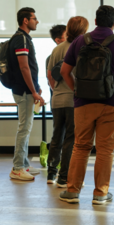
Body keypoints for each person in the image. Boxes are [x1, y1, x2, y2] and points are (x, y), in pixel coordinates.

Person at [58, 5, 114, 205]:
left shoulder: (79, 41)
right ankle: (100, 194)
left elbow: (64, 72)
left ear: (94, 21)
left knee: (80, 146)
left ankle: (72, 191)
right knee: (105, 150)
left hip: (83, 103)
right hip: (111, 103)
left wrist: (77, 90)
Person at [46, 17, 89, 186]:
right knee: (71, 139)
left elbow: (50, 75)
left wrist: (57, 89)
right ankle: (65, 177)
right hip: (73, 100)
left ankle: (51, 174)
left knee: (57, 136)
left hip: (57, 100)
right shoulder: (81, 48)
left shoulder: (57, 49)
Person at [8, 7, 45, 181]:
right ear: (25, 20)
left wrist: (36, 88)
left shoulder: (23, 38)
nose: (36, 21)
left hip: (25, 90)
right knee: (24, 128)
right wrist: (33, 91)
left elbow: (28, 67)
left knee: (26, 127)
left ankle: (24, 164)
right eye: (34, 18)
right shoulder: (21, 39)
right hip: (24, 92)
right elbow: (24, 67)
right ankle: (17, 168)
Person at [40, 24, 67, 168]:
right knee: (59, 133)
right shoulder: (52, 57)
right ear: (58, 40)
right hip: (59, 100)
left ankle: (58, 166)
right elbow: (50, 79)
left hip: (60, 100)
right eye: (66, 35)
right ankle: (55, 166)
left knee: (62, 134)